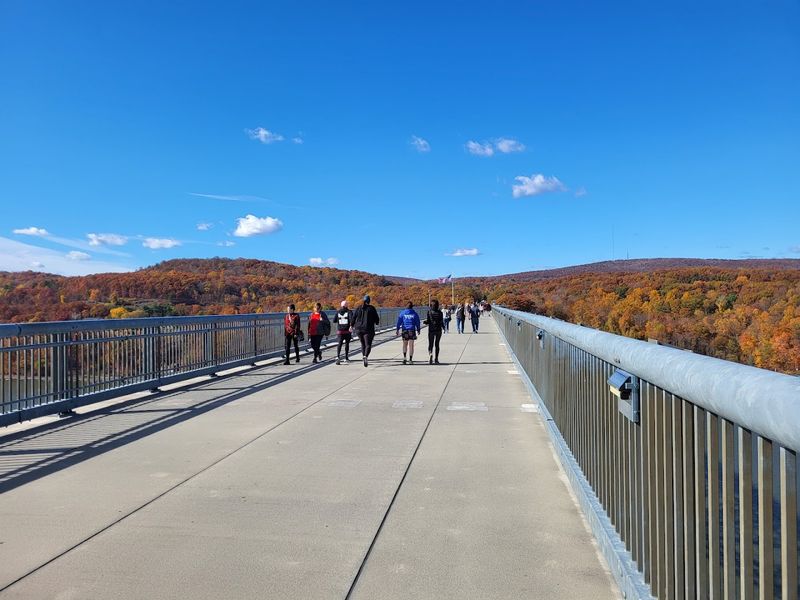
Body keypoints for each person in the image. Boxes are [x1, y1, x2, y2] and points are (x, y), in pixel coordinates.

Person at [352, 295, 380, 367]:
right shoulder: (371, 308)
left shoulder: (358, 308)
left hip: (358, 329)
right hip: (368, 329)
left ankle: (364, 356)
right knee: (368, 344)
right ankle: (365, 356)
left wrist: (351, 325)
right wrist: (376, 323)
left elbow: (353, 318)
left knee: (362, 343)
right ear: (369, 301)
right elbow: (376, 318)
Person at [424, 299, 444, 364]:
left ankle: (430, 354)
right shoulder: (440, 313)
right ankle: (436, 359)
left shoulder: (429, 312)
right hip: (438, 330)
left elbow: (428, 321)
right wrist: (444, 327)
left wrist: (425, 322)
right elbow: (441, 322)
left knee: (430, 344)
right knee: (437, 344)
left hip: (431, 330)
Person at [334, 300, 353, 365]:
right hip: (347, 331)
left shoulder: (338, 312)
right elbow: (352, 320)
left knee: (339, 344)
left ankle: (338, 356)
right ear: (346, 305)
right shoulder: (349, 312)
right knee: (347, 344)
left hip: (340, 331)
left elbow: (334, 320)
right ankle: (346, 357)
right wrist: (351, 326)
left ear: (341, 306)